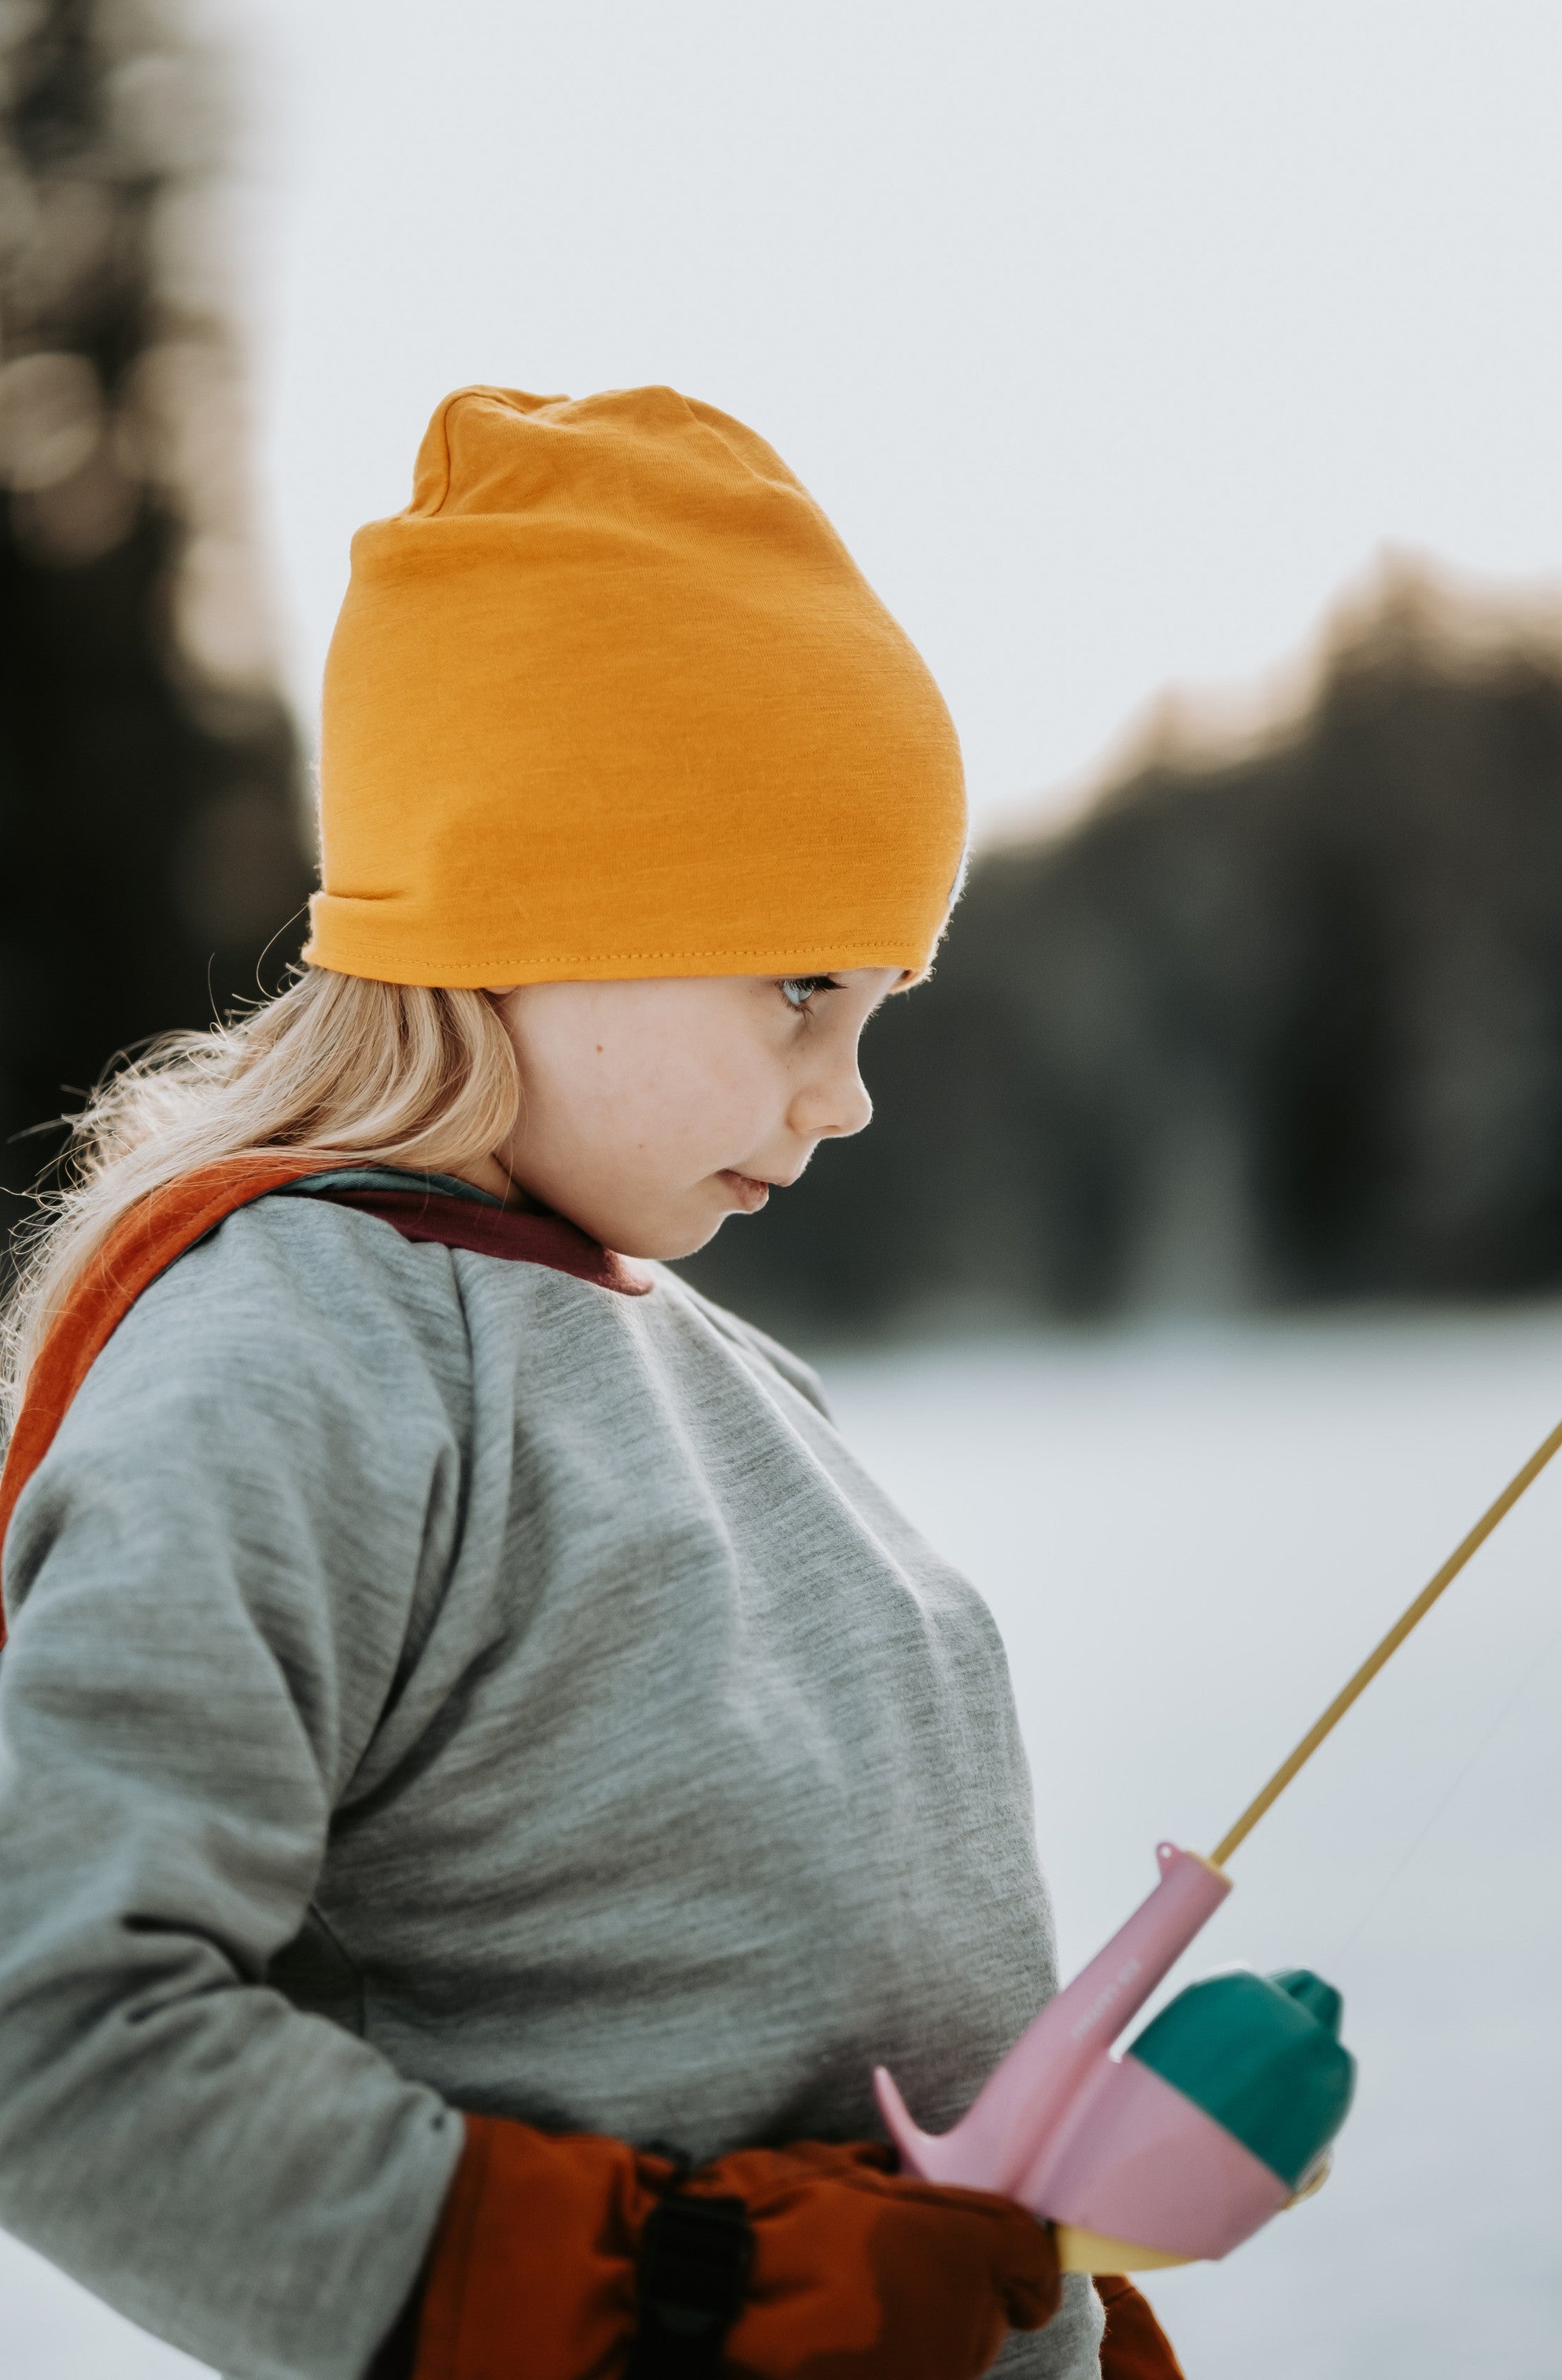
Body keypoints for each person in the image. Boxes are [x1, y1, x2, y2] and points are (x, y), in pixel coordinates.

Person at [0, 386, 1182, 2380]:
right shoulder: (293, 1356)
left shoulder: (728, 1378)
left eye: (881, 1001)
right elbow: (51, 2026)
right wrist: (690, 2299)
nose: (848, 1093)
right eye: (800, 984)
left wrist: (1055, 2293)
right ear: (530, 915)